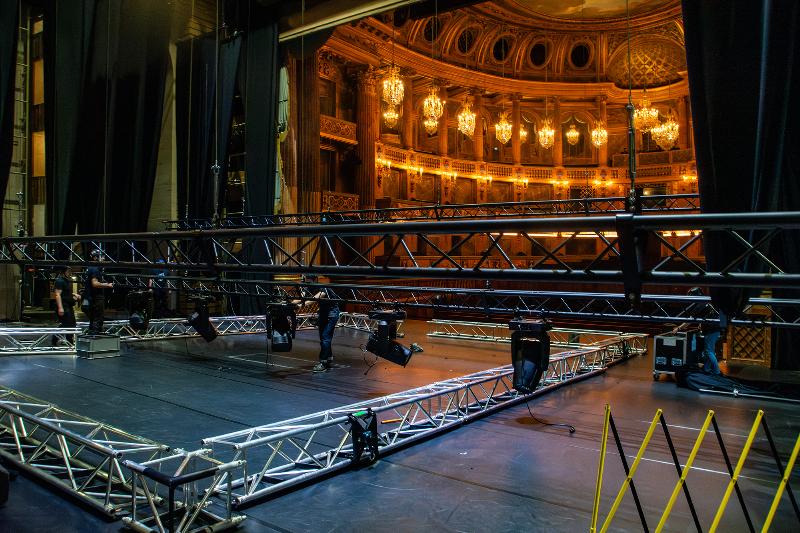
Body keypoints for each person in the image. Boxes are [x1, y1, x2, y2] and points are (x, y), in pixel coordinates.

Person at [298, 275, 340, 372]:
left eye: (309, 282)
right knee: (323, 337)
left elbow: (314, 299)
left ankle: (323, 362)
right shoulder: (308, 285)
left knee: (325, 336)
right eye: (306, 281)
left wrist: (301, 305)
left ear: (315, 279)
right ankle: (329, 357)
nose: (308, 284)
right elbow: (301, 297)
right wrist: (291, 303)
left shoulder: (323, 286)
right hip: (323, 312)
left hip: (332, 312)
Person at [687, 287, 723, 375]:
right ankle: (706, 369)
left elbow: (689, 321)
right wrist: (701, 323)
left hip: (711, 330)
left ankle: (717, 372)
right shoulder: (705, 302)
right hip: (716, 328)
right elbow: (706, 315)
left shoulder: (698, 305)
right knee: (710, 350)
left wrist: (678, 328)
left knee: (708, 351)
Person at [84, 249, 114, 334]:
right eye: (102, 257)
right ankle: (96, 338)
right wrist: (107, 285)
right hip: (96, 299)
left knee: (93, 320)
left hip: (91, 298)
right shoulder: (95, 269)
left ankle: (92, 335)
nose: (104, 259)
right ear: (95, 258)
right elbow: (95, 283)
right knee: (98, 320)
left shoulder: (90, 268)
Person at [53, 265, 77, 344]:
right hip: (64, 306)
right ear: (64, 272)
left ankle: (69, 340)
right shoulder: (60, 281)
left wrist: (74, 294)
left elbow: (65, 292)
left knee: (72, 323)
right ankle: (55, 339)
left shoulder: (66, 281)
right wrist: (60, 307)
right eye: (68, 271)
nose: (70, 273)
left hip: (68, 306)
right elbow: (57, 294)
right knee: (66, 324)